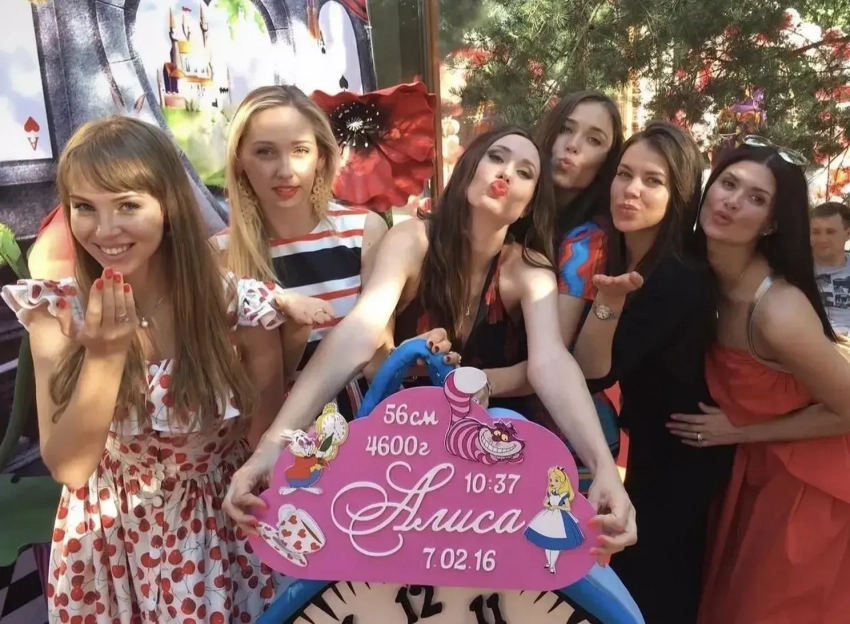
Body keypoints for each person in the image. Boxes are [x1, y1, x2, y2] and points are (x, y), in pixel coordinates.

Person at [225, 126, 637, 558]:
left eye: (525, 172)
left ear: (529, 204)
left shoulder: (529, 271)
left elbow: (551, 362)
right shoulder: (412, 240)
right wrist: (272, 445)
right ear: (468, 170)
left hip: (490, 473)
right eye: (496, 157)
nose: (506, 173)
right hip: (399, 462)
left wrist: (604, 469)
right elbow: (358, 333)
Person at [1, 117, 332, 622]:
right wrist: (105, 356)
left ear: (169, 206)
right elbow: (69, 467)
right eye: (84, 207)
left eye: (127, 205)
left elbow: (259, 442)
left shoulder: (238, 309)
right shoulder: (57, 313)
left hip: (213, 538)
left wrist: (288, 343)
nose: (105, 230)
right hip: (106, 543)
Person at [667, 144, 850, 624]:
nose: (731, 201)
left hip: (809, 488)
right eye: (728, 184)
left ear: (771, 223)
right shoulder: (701, 278)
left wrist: (740, 431)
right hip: (755, 473)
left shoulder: (777, 310)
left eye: (755, 198)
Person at [572, 121, 735, 622]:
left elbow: (594, 371)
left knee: (655, 593)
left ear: (679, 194)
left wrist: (607, 303)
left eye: (653, 181)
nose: (631, 189)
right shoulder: (631, 257)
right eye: (624, 174)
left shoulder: (678, 277)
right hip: (656, 449)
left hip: (682, 460)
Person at [216, 85, 388, 417]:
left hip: (361, 421)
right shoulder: (219, 253)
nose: (285, 170)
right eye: (265, 152)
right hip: (266, 426)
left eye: (300, 150)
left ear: (321, 157)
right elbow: (234, 379)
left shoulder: (364, 230)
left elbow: (379, 353)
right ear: (239, 162)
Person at [534, 91, 625, 491]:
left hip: (566, 437)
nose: (572, 145)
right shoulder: (522, 217)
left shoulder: (588, 241)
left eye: (593, 139)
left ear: (608, 162)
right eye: (566, 130)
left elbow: (548, 353)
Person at [810, 201, 850, 335]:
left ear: (848, 234)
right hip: (812, 339)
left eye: (830, 232)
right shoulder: (797, 271)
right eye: (816, 232)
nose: (822, 239)